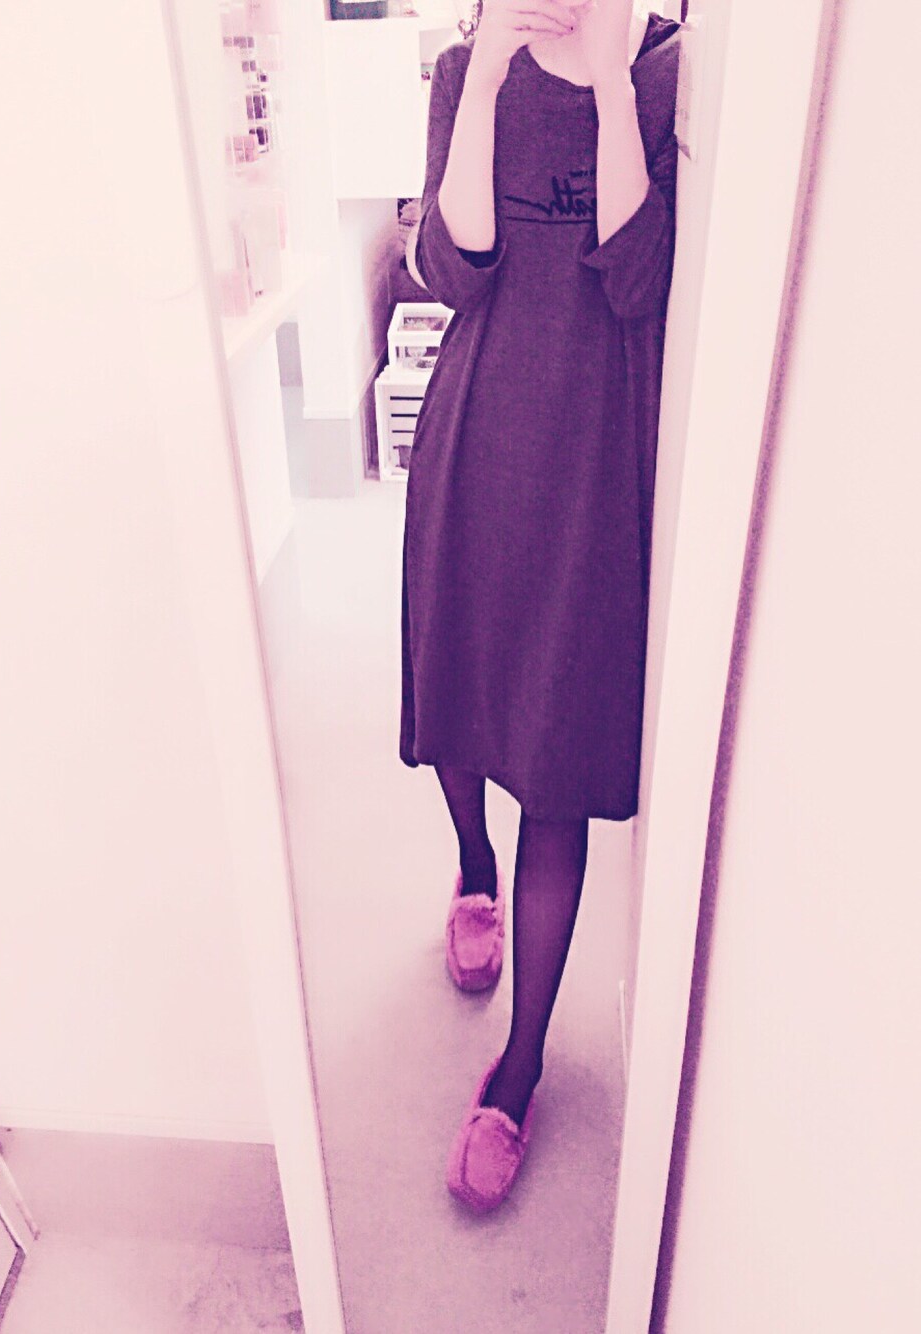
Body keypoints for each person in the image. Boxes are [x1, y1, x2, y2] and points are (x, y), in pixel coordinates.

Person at [400, 0, 682, 1212]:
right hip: (474, 436)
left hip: (590, 459)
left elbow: (636, 280)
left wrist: (609, 85)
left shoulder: (666, 73)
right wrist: (488, 76)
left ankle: (516, 1073)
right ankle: (472, 866)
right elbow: (450, 268)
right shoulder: (463, 71)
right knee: (457, 696)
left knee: (556, 758)